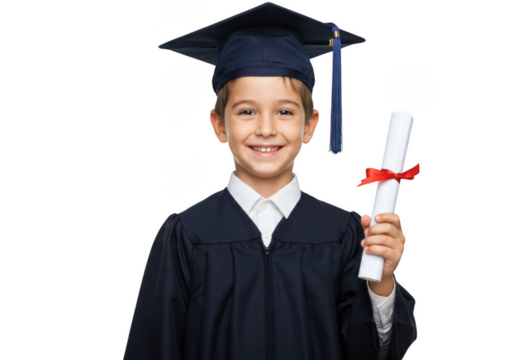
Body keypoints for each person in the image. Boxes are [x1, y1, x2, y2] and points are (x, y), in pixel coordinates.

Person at [124, 3, 416, 359]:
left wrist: (381, 282)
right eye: (246, 111)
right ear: (219, 125)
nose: (265, 128)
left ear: (310, 126)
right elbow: (153, 348)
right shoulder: (186, 235)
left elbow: (375, 351)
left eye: (285, 112)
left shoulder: (345, 234)